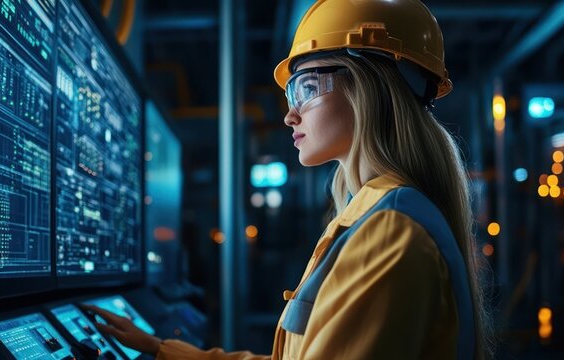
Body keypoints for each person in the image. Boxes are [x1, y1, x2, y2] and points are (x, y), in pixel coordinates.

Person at [83, 0, 492, 358]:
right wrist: (162, 351)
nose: (289, 115)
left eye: (306, 88)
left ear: (369, 87)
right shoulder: (379, 216)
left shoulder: (390, 229)